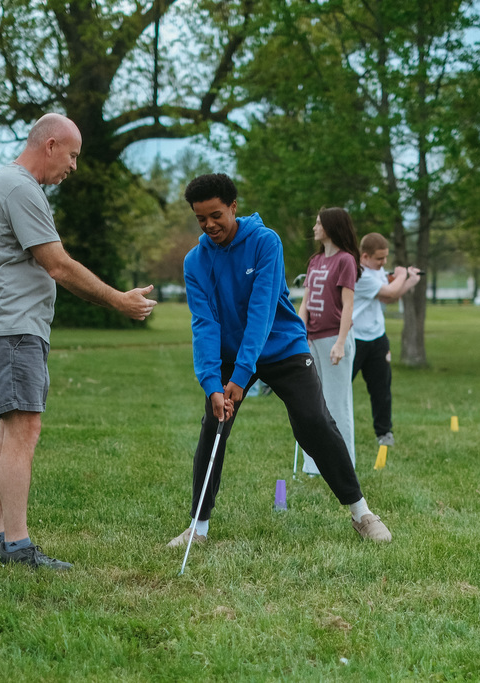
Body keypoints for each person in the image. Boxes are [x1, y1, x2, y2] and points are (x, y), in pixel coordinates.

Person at [0, 113, 157, 571]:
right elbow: (57, 264)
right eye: (72, 155)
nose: (74, 166)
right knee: (23, 430)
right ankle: (17, 545)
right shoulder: (20, 188)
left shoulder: (4, 185)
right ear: (50, 145)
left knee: (8, 429)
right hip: (13, 327)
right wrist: (118, 300)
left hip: (3, 324)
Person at [167, 173, 391, 549]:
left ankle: (362, 513)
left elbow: (261, 312)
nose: (209, 225)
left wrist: (241, 376)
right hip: (230, 354)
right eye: (200, 219)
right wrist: (211, 383)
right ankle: (198, 528)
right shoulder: (196, 261)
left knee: (314, 422)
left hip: (282, 346)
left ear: (233, 207)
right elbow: (204, 324)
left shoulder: (265, 242)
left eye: (216, 215)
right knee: (214, 427)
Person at [297, 208, 361, 475]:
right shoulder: (315, 261)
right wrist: (299, 334)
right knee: (312, 403)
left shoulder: (346, 261)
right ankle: (314, 465)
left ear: (331, 227)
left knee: (337, 403)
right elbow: (306, 302)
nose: (314, 227)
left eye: (318, 223)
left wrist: (341, 342)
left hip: (335, 338)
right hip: (311, 339)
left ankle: (344, 465)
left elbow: (348, 305)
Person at [350, 232, 421, 447]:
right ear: (364, 256)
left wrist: (410, 281)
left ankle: (384, 432)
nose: (384, 262)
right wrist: (402, 275)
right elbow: (389, 291)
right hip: (354, 338)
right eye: (379, 258)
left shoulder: (377, 271)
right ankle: (329, 428)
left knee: (381, 389)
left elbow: (388, 298)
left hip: (377, 338)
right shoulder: (359, 273)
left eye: (386, 257)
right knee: (341, 388)